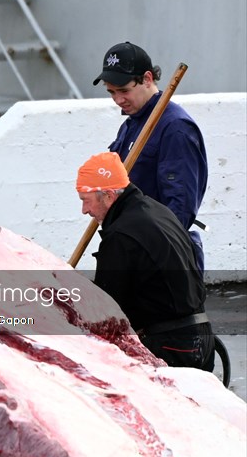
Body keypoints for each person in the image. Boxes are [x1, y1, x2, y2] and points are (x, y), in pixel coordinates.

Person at [76, 152, 214, 371]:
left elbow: (107, 308)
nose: (85, 210)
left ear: (109, 196)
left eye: (86, 201)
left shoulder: (121, 235)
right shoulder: (157, 210)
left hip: (170, 345)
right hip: (202, 335)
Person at [92, 41, 208, 272]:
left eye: (124, 90)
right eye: (111, 92)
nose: (118, 100)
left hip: (159, 257)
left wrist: (151, 254)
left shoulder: (175, 128)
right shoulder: (132, 123)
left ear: (147, 78)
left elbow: (179, 208)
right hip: (132, 247)